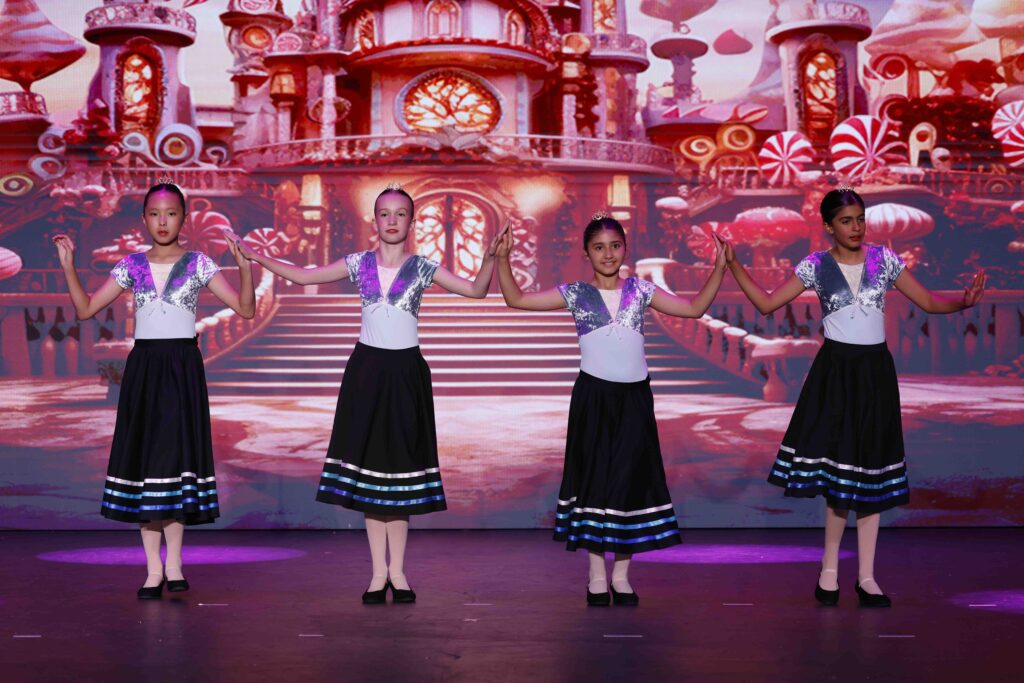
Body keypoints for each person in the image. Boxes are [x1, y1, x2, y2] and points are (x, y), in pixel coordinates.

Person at [235, 184, 501, 604]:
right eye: (384, 213)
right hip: (367, 373)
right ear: (374, 220)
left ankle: (399, 572)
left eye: (400, 213)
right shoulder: (358, 263)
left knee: (400, 474)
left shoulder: (423, 267)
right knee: (372, 474)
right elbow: (303, 275)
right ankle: (379, 574)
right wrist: (255, 256)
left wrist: (489, 260)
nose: (392, 220)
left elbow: (476, 290)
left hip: (407, 373)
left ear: (412, 221)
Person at [724, 187, 986, 607]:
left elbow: (927, 301)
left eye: (860, 219)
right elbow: (767, 303)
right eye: (846, 221)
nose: (856, 227)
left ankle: (867, 577)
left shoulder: (885, 260)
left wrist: (963, 302)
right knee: (838, 474)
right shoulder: (815, 265)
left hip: (874, 373)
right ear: (829, 226)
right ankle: (828, 572)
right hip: (836, 372)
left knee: (872, 472)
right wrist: (734, 265)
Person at [496, 212, 728, 606]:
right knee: (595, 482)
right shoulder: (575, 293)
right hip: (594, 399)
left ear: (625, 249)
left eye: (615, 246)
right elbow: (516, 299)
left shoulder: (641, 290)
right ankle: (596, 575)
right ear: (586, 253)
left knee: (629, 482)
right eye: (599, 247)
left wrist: (720, 268)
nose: (608, 254)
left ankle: (621, 576)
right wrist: (502, 258)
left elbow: (692, 310)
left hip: (635, 399)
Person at [54, 181, 255, 599]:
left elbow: (245, 308)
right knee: (147, 464)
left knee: (177, 463)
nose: (163, 221)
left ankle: (175, 566)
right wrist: (69, 266)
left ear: (184, 219)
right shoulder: (131, 265)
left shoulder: (199, 264)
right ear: (144, 219)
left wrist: (245, 267)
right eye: (154, 214)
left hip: (183, 368)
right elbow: (86, 309)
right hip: (144, 368)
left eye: (171, 213)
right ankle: (152, 570)